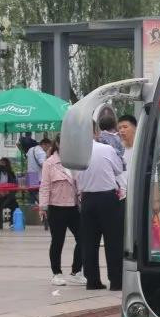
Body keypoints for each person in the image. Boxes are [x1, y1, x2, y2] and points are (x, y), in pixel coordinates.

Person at [79, 124, 126, 290]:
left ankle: (92, 281)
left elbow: (74, 176)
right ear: (96, 132)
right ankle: (116, 281)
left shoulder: (76, 153)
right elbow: (119, 169)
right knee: (113, 241)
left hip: (87, 199)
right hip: (107, 198)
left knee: (89, 242)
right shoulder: (107, 149)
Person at [40, 136, 86, 286]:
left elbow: (80, 183)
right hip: (56, 207)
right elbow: (45, 186)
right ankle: (56, 273)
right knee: (57, 241)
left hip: (74, 207)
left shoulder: (75, 162)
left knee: (83, 238)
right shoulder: (49, 163)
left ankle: (76, 272)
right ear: (58, 144)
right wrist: (43, 207)